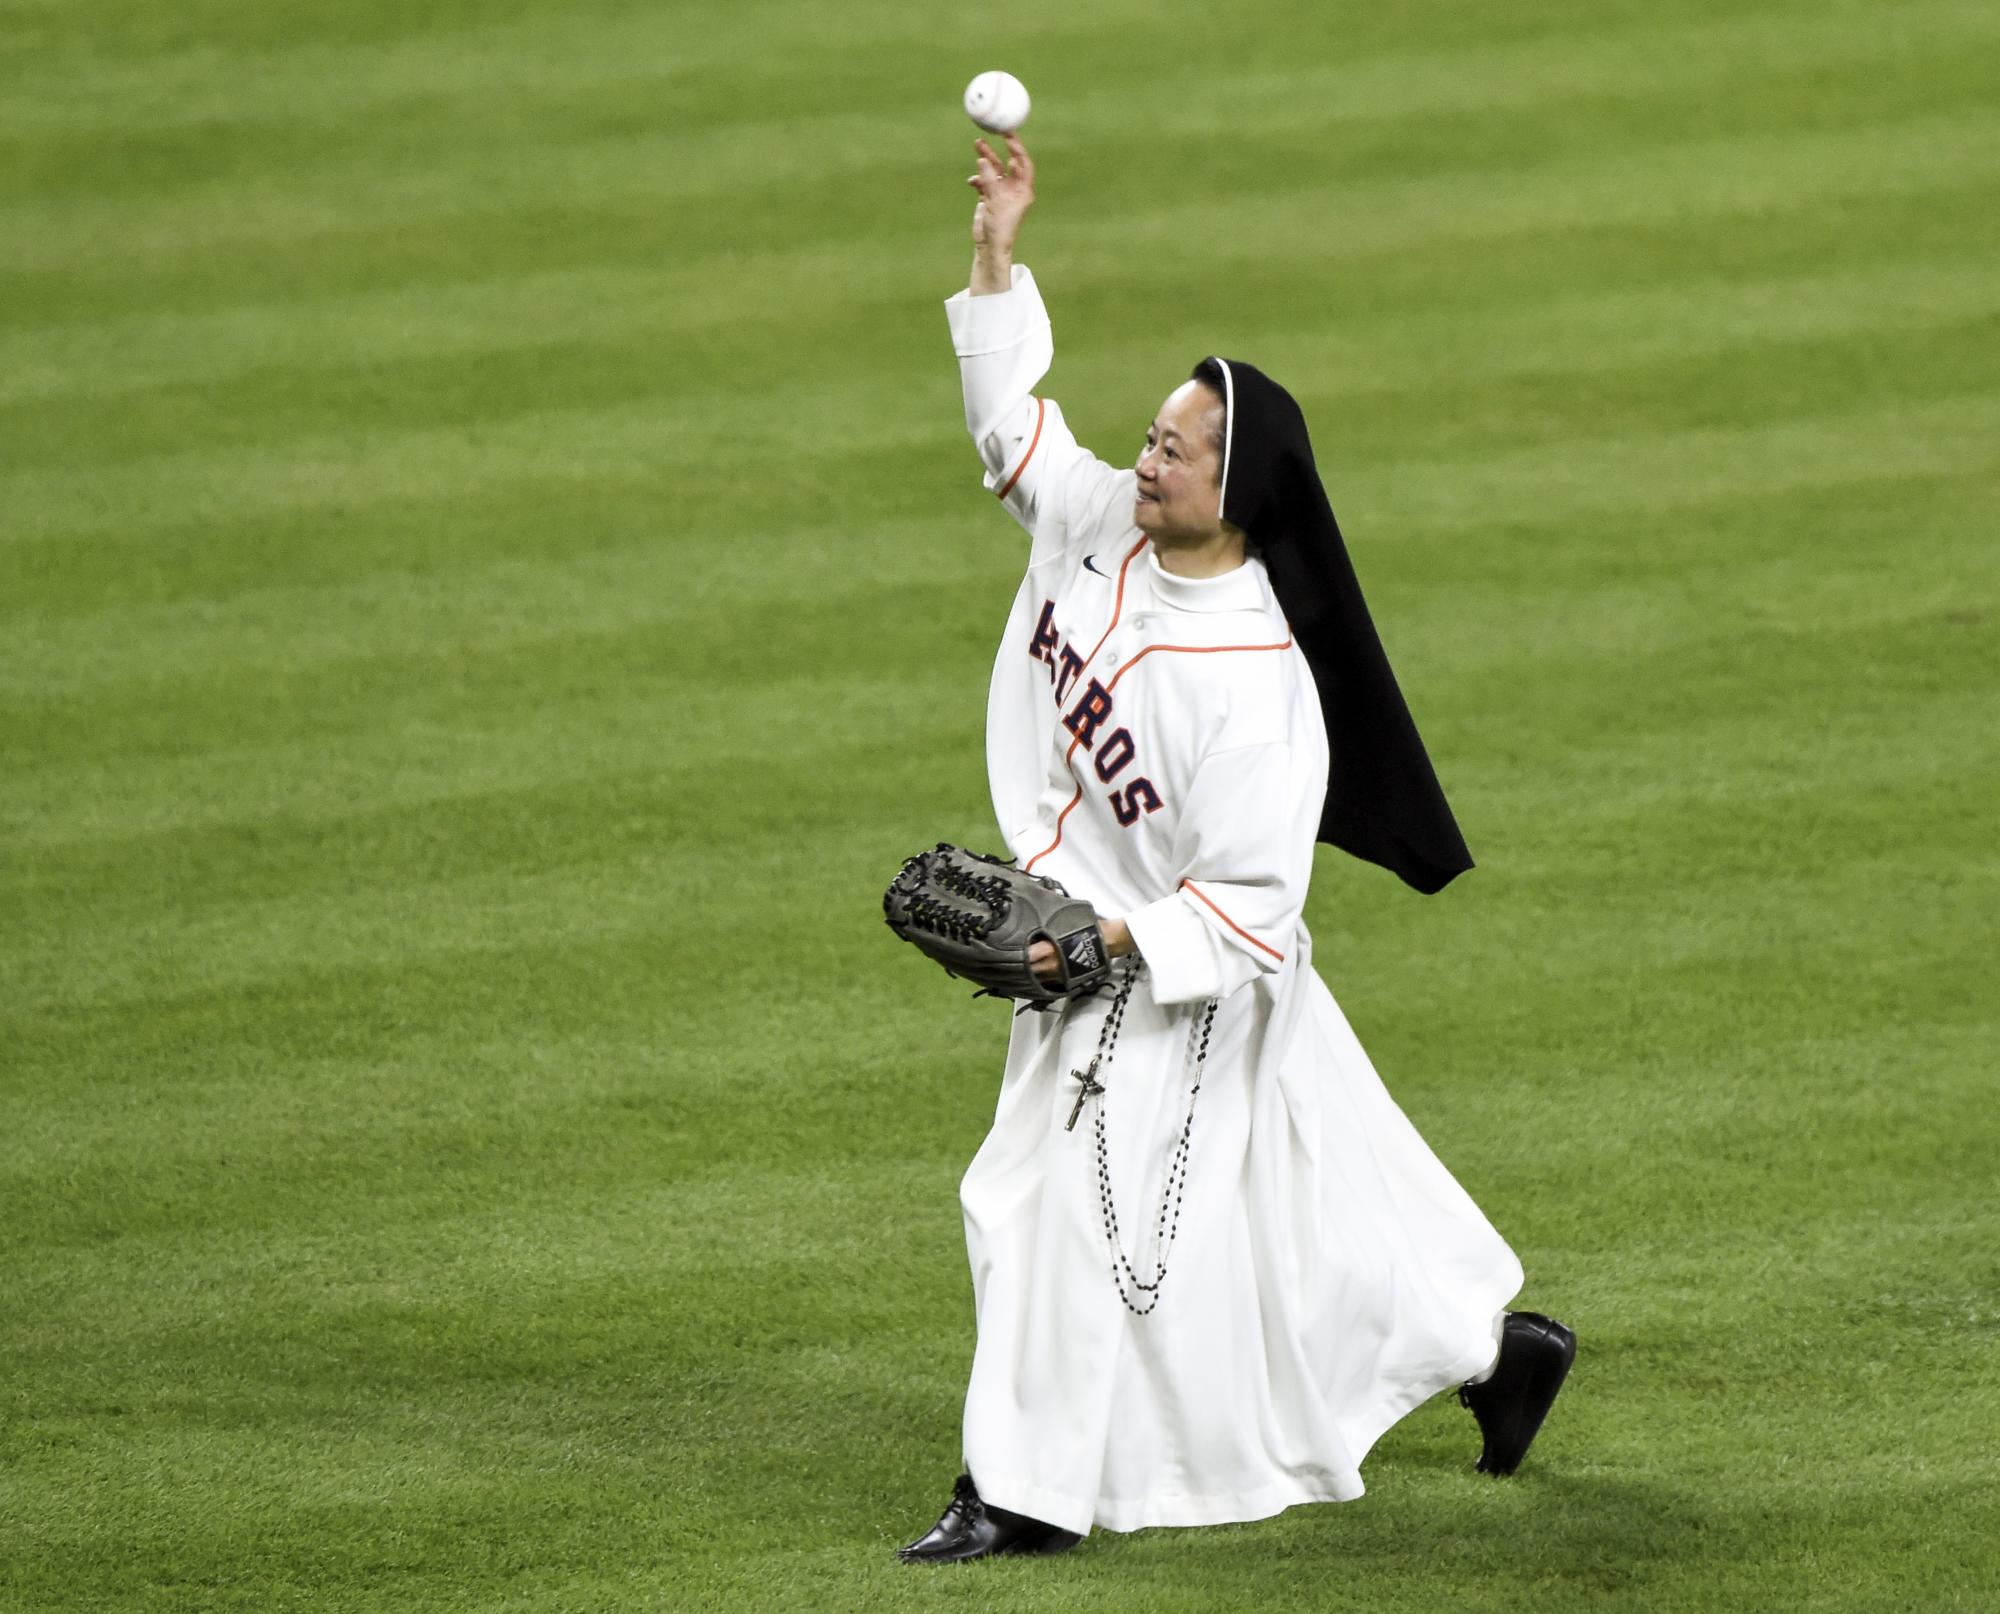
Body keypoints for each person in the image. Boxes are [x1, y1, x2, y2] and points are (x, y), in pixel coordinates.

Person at [897, 133, 1575, 1564]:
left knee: (1029, 1201)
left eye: (1177, 451)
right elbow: (1011, 430)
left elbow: (1258, 901)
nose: (1145, 460)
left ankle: (1016, 1495)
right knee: (1319, 1215)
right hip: (1092, 937)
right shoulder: (1100, 527)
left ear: (1241, 489)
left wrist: (1100, 941)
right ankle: (1498, 1353)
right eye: (1148, 437)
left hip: (1170, 980)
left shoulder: (1261, 686)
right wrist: (996, 252)